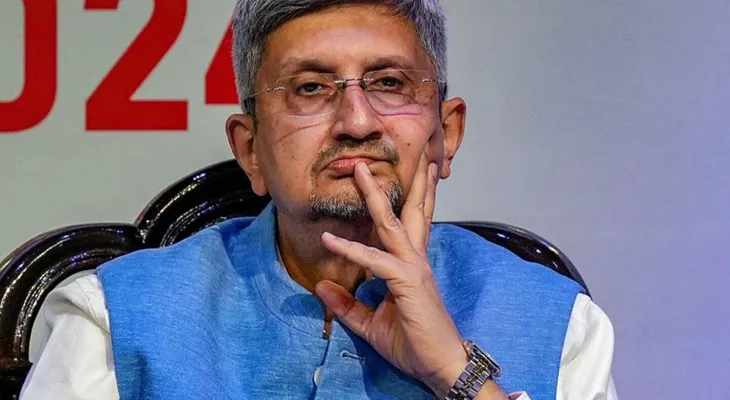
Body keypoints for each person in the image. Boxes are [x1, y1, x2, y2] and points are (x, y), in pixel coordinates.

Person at [20, 1, 618, 399]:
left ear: (445, 134)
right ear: (250, 150)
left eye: (389, 83)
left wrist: (457, 375)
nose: (357, 122)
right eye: (310, 88)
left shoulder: (560, 323)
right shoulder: (113, 319)